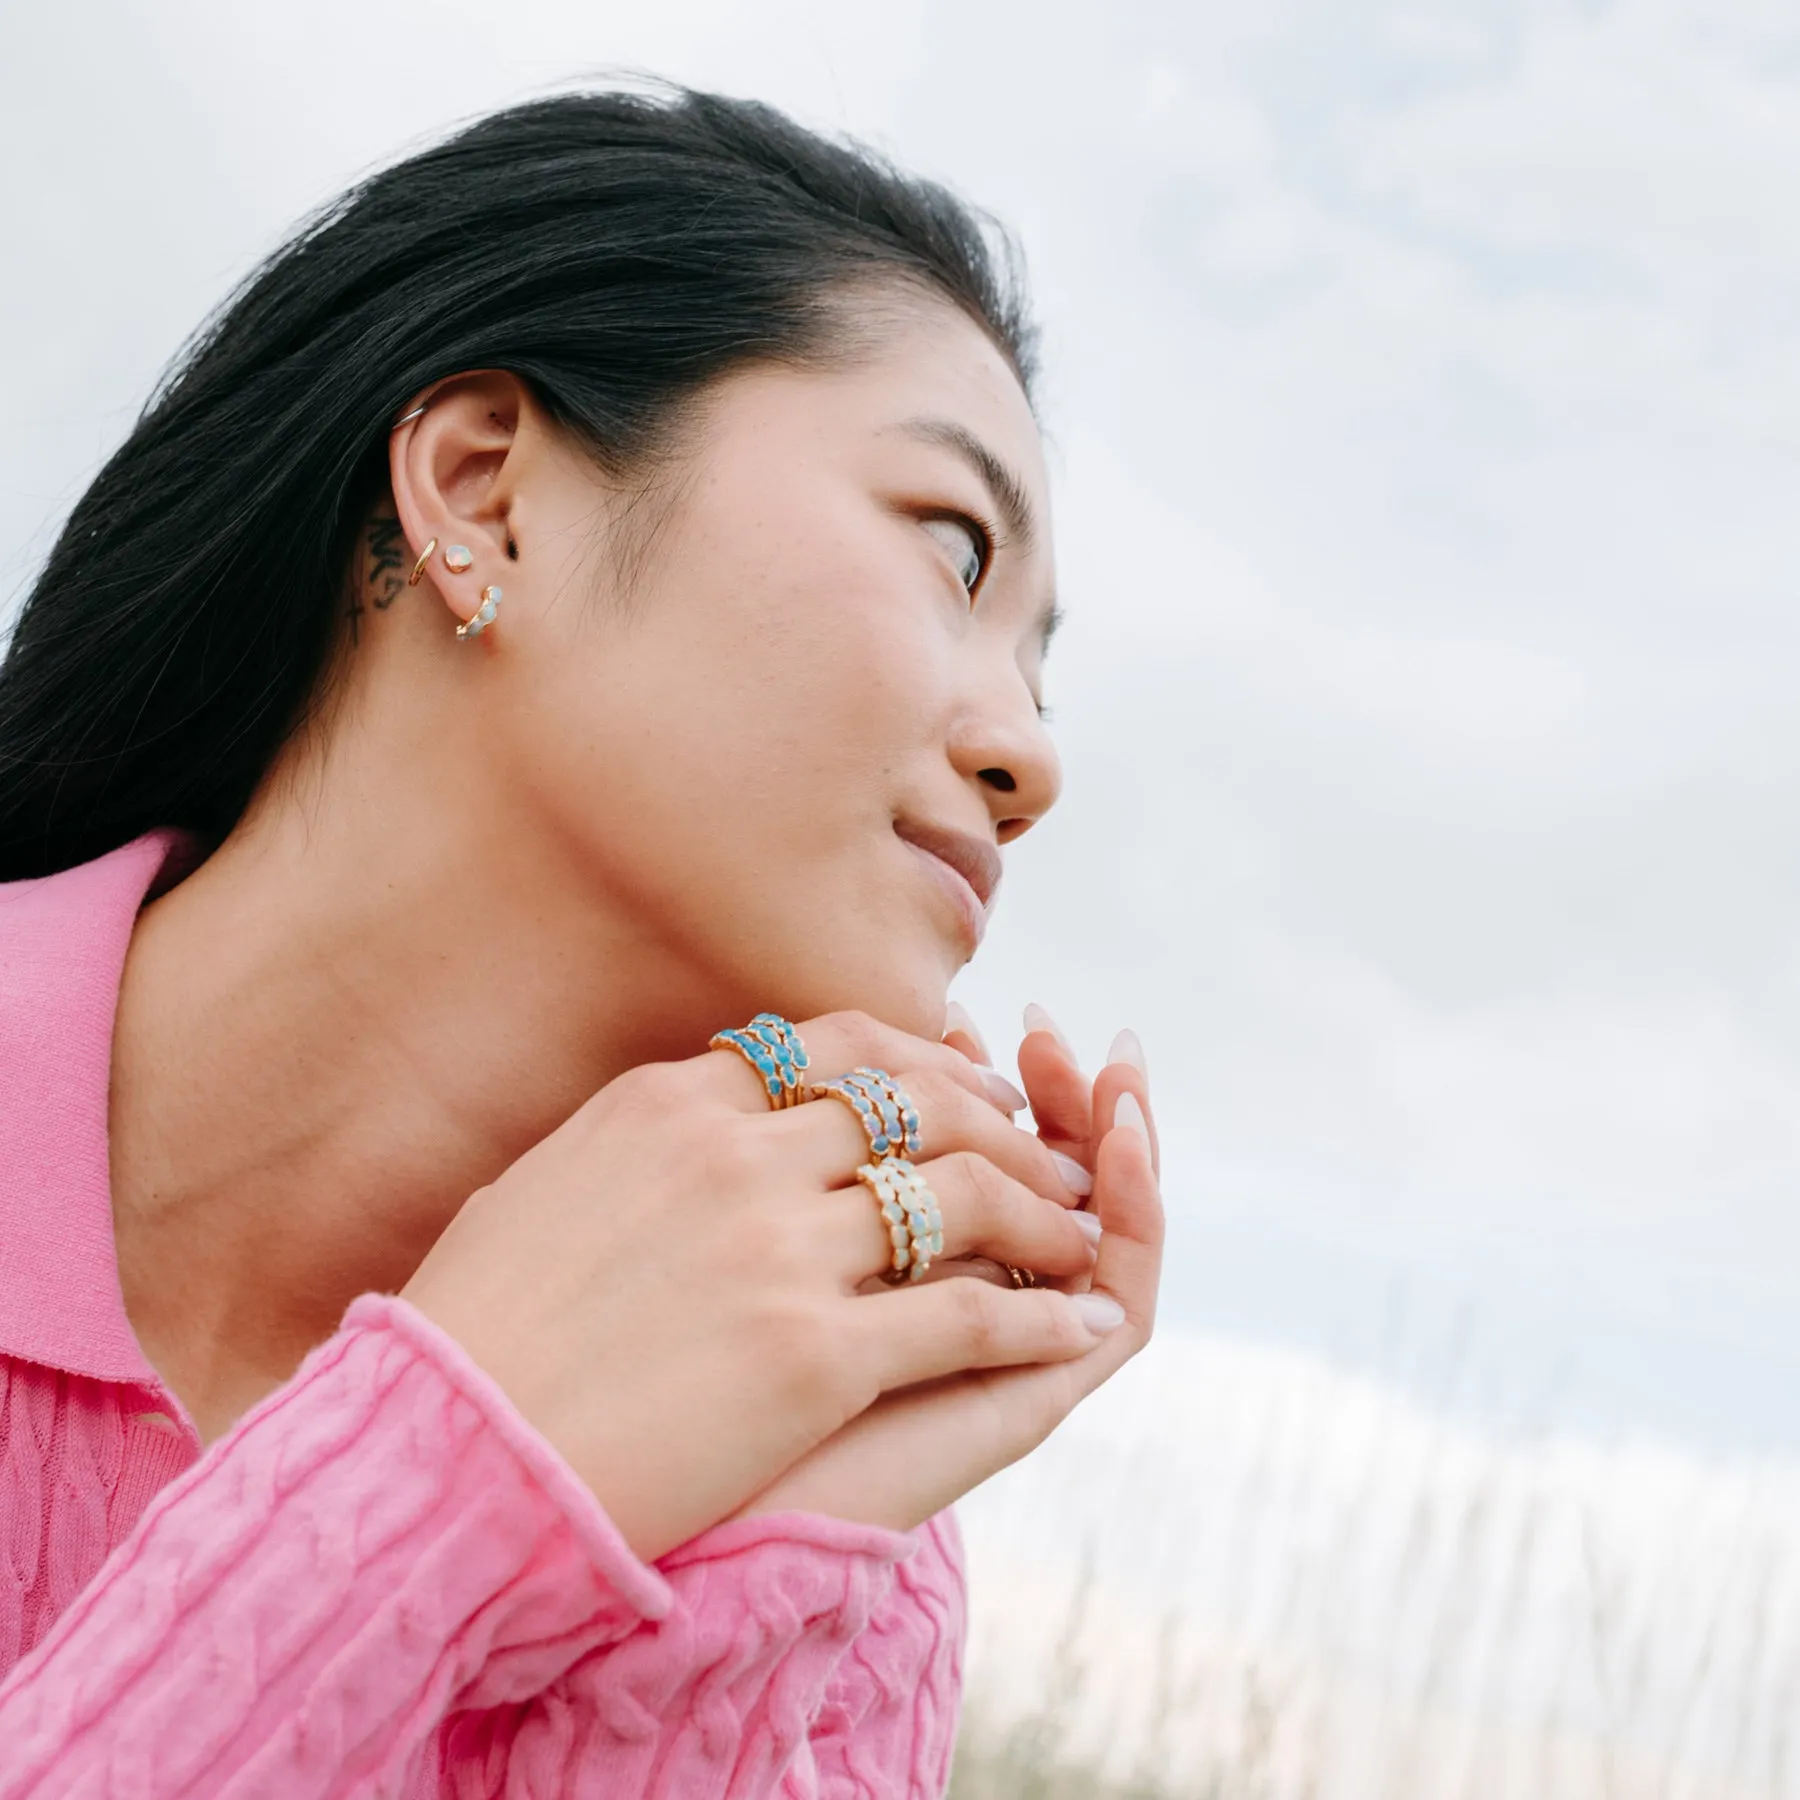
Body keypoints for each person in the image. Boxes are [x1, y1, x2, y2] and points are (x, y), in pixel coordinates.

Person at [0, 83, 1163, 1795]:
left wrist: (724, 1603)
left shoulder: (853, 1562)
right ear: (484, 490)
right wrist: (434, 1482)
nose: (1033, 757)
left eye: (1043, 671)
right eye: (951, 547)